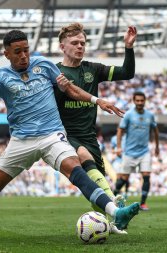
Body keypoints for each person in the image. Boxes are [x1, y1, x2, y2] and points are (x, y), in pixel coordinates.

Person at [0, 30, 140, 239]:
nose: (24, 55)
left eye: (26, 50)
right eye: (18, 52)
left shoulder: (43, 65)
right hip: (21, 141)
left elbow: (70, 90)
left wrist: (97, 100)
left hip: (52, 135)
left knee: (76, 170)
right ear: (6, 54)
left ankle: (116, 213)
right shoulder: (1, 76)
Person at [55, 23, 137, 233]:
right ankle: (116, 205)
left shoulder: (93, 69)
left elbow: (127, 72)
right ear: (62, 46)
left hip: (89, 136)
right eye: (74, 43)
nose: (80, 46)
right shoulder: (54, 73)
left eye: (82, 43)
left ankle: (110, 221)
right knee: (84, 157)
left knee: (95, 191)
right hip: (64, 135)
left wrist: (128, 48)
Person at [114, 91, 159, 211]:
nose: (140, 103)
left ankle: (143, 203)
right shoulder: (128, 115)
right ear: (134, 101)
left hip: (144, 152)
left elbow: (155, 130)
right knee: (123, 179)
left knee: (146, 176)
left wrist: (157, 146)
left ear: (145, 101)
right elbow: (120, 130)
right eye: (137, 100)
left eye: (142, 100)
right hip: (129, 152)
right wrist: (118, 147)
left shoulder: (150, 115)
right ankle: (113, 196)